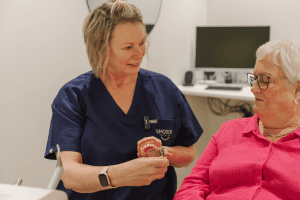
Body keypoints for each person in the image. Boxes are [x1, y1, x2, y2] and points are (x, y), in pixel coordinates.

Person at [44, 0, 203, 199]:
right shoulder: (73, 96)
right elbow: (69, 174)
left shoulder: (164, 89)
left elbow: (188, 153)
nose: (140, 53)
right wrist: (119, 175)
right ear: (101, 49)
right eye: (128, 47)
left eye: (142, 43)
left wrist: (163, 152)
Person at [174, 39, 300, 200]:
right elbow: (193, 184)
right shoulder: (230, 130)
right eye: (254, 78)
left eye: (264, 80)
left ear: (297, 89)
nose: (253, 89)